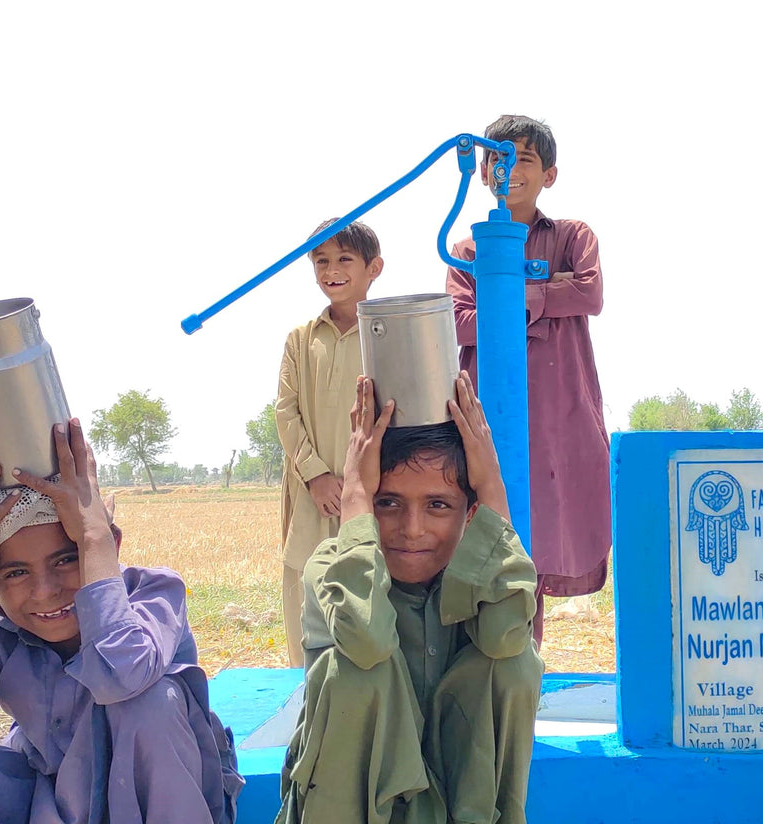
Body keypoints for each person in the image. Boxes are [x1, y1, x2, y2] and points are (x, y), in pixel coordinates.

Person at [0, 419, 243, 824]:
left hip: (158, 806)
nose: (44, 591)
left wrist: (93, 538)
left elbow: (121, 675)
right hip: (53, 802)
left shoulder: (153, 595)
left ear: (111, 544)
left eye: (67, 559)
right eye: (15, 573)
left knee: (150, 702)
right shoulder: (0, 630)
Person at [276, 372, 543, 824]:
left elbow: (504, 638)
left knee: (515, 663)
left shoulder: (482, 574)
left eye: (438, 505)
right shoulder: (331, 566)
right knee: (362, 673)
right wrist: (356, 494)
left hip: (455, 798)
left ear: (469, 511)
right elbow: (366, 640)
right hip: (350, 806)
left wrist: (493, 490)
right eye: (387, 503)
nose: (412, 528)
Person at [445, 114, 611, 647]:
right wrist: (542, 294)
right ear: (481, 170)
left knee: (541, 544)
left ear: (550, 175)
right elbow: (458, 324)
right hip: (491, 414)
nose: (508, 168)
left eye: (524, 159)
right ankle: (495, 681)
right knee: (490, 541)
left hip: (559, 413)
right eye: (497, 157)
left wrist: (506, 300)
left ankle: (525, 675)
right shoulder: (468, 250)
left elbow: (589, 294)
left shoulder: (571, 237)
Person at [276, 218, 384, 666]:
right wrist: (315, 474)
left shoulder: (386, 333)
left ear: (373, 268)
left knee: (367, 591)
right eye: (321, 261)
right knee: (304, 592)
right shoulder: (301, 340)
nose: (331, 270)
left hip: (372, 490)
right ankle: (308, 700)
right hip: (310, 492)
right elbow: (286, 410)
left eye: (344, 259)